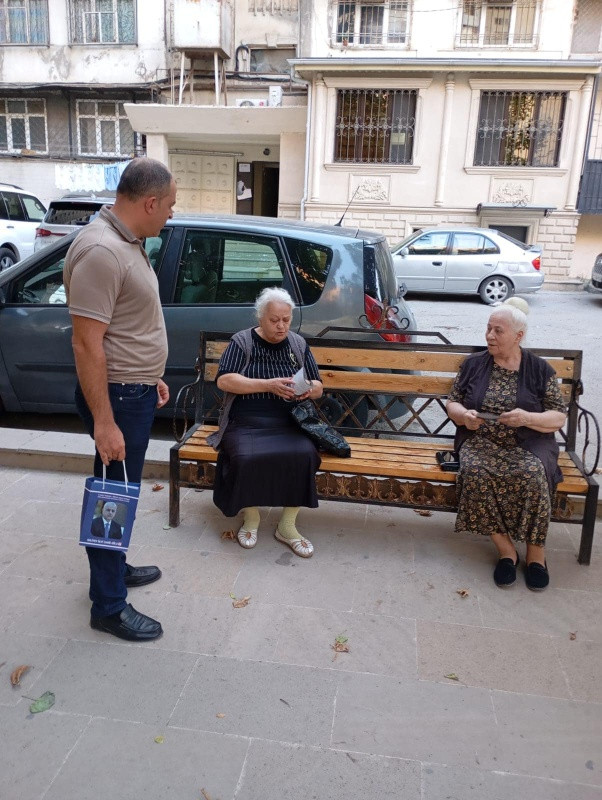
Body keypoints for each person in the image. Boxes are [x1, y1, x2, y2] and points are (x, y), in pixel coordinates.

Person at [64, 157, 177, 641]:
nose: (171, 214)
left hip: (133, 389)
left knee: (120, 491)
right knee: (112, 496)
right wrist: (105, 422)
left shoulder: (127, 241)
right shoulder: (103, 252)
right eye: (169, 206)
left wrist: (150, 374)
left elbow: (126, 326)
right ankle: (108, 605)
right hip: (115, 399)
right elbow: (87, 343)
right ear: (149, 202)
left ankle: (115, 567)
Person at [446, 297, 567, 591]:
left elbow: (558, 417)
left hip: (528, 443)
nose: (489, 335)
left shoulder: (540, 370)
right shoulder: (474, 365)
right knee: (474, 473)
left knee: (533, 475)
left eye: (498, 330)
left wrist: (527, 417)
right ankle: (506, 550)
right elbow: (453, 401)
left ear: (519, 336)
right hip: (480, 440)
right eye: (488, 328)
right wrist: (464, 416)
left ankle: (536, 553)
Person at [208, 287, 323, 557]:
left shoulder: (297, 344)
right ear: (260, 318)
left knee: (304, 453)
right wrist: (267, 385)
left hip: (289, 419)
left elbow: (319, 385)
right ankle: (252, 518)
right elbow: (224, 380)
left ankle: (287, 525)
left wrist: (308, 389)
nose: (281, 326)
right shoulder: (242, 342)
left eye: (286, 319)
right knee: (246, 457)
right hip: (247, 419)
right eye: (274, 320)